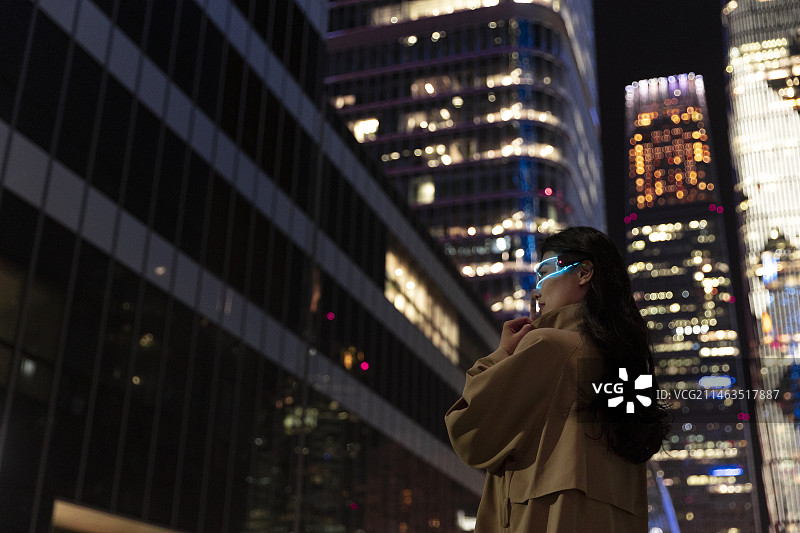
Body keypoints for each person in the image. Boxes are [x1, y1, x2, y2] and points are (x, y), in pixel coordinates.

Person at [445, 226, 670, 532]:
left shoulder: (548, 347)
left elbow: (468, 431)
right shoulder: (630, 369)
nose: (536, 290)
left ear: (584, 273)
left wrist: (500, 355)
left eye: (545, 272)